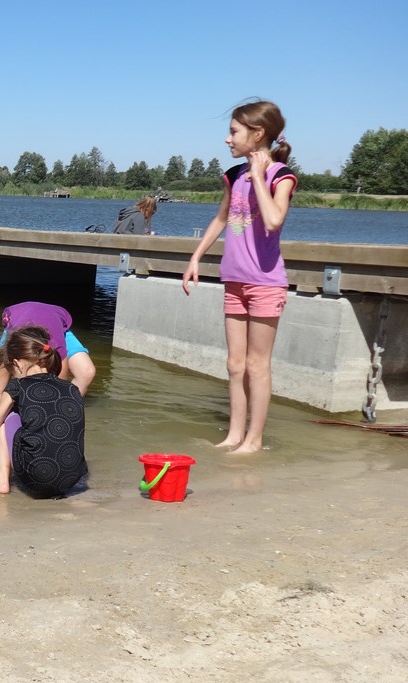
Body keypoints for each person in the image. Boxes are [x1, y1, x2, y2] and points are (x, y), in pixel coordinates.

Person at [182, 99, 297, 454]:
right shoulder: (233, 176)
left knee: (256, 365)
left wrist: (259, 175)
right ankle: (234, 435)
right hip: (234, 281)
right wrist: (196, 257)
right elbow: (221, 218)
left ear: (258, 133)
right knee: (235, 365)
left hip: (266, 283)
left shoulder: (281, 176)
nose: (227, 139)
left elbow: (274, 220)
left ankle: (254, 440)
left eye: (234, 132)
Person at [0, 326, 89, 498]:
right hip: (71, 481)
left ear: (17, 364)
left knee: (4, 422)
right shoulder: (71, 388)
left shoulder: (18, 386)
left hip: (37, 480)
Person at [0, 301, 95, 396]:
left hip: (55, 321)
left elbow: (60, 382)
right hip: (19, 318)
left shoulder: (57, 346)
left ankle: (70, 403)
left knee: (86, 372)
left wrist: (59, 400)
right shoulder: (14, 344)